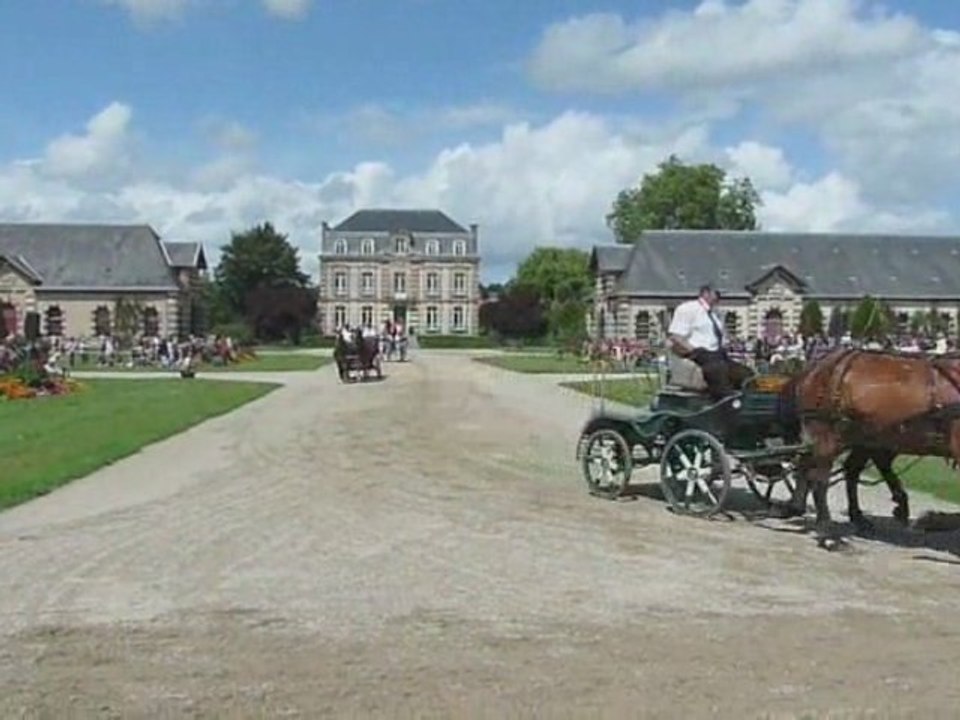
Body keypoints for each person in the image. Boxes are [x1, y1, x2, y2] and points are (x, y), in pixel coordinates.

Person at [667, 284, 753, 401]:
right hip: (697, 353)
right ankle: (725, 401)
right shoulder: (688, 309)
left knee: (746, 373)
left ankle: (745, 400)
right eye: (717, 294)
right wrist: (692, 350)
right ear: (705, 293)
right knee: (717, 370)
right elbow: (676, 337)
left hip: (717, 354)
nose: (719, 297)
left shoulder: (715, 314)